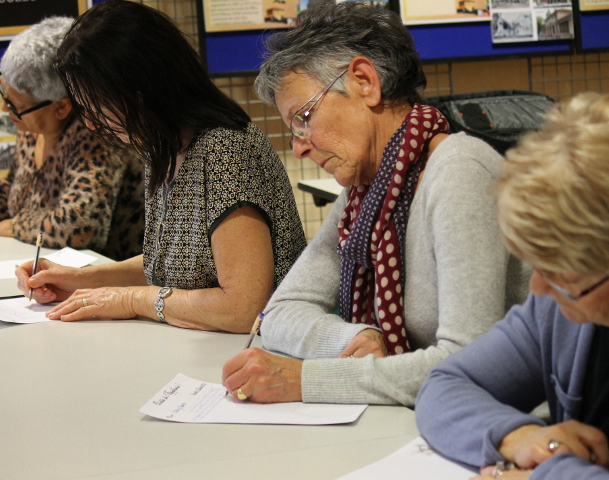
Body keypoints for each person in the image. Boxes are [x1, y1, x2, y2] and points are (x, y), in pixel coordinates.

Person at [221, 1, 530, 405]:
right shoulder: (369, 188)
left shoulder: (459, 171)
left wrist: (304, 380)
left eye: (304, 117)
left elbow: (468, 365)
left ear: (365, 81)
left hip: (510, 425)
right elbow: (280, 312)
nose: (298, 147)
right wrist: (356, 337)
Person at [415, 92, 609, 479]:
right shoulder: (558, 308)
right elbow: (445, 385)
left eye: (564, 276)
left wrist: (544, 475)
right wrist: (520, 437)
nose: (538, 288)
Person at [14, 1, 306, 332]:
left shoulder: (225, 150)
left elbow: (243, 307)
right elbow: (170, 266)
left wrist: (131, 299)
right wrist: (83, 279)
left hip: (256, 354)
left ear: (140, 93)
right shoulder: (162, 144)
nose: (92, 124)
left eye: (98, 108)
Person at [0, 16, 145, 261]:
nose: (5, 108)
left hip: (108, 277)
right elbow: (18, 185)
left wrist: (13, 227)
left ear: (61, 108)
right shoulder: (31, 124)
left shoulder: (98, 135)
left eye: (16, 104)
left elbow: (79, 227)